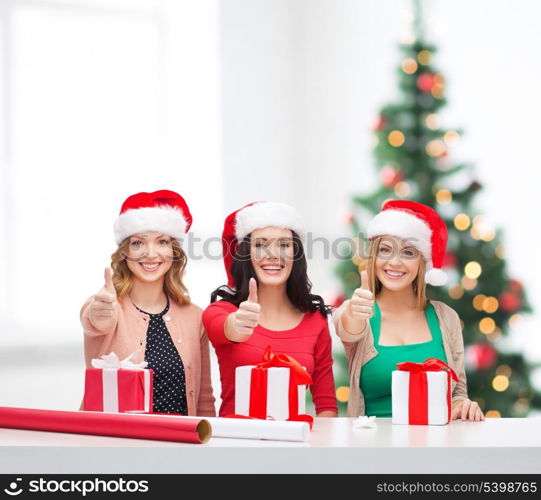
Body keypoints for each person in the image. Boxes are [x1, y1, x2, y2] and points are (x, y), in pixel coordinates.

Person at [334, 200, 484, 422]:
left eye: (408, 252)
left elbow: (458, 394)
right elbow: (348, 328)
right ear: (374, 256)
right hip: (372, 448)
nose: (394, 262)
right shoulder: (358, 310)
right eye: (385, 250)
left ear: (423, 261)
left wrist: (463, 405)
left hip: (434, 447)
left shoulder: (446, 317)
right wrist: (354, 313)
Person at [80, 190, 215, 416]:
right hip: (115, 445)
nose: (151, 254)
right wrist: (98, 311)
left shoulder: (194, 317)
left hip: (180, 445)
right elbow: (94, 320)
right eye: (138, 243)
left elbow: (204, 399)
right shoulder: (106, 306)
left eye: (162, 242)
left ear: (173, 251)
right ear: (125, 252)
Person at [202, 201, 338, 418]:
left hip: (296, 446)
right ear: (246, 254)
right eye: (260, 244)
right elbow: (224, 327)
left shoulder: (315, 321)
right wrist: (237, 324)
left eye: (284, 245)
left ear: (296, 253)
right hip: (236, 443)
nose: (273, 254)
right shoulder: (221, 311)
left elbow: (327, 406)